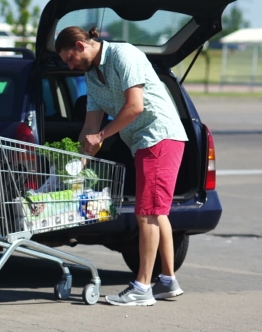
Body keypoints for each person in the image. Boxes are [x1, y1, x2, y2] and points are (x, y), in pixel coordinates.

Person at [55, 26, 188, 306]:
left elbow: (135, 106)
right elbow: (90, 126)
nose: (69, 65)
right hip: (141, 141)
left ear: (80, 45)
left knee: (147, 213)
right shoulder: (92, 76)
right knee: (157, 213)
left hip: (159, 135)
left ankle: (142, 287)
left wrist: (103, 135)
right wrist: (78, 163)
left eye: (69, 58)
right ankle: (167, 281)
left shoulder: (123, 54)